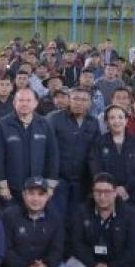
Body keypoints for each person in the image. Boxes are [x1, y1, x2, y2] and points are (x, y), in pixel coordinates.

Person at [0, 88, 59, 208]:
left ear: (36, 103)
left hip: (38, 188)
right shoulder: (3, 125)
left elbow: (53, 156)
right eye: (21, 100)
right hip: (12, 189)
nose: (24, 103)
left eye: (28, 100)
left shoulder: (45, 125)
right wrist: (2, 186)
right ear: (14, 103)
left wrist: (51, 184)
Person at [47, 88, 100, 216]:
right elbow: (47, 150)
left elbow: (95, 154)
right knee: (57, 217)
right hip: (58, 180)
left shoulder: (93, 123)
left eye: (83, 100)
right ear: (69, 100)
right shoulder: (54, 119)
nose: (79, 103)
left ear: (90, 103)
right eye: (75, 99)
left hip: (82, 182)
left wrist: (95, 180)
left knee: (77, 219)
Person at [88, 105, 135, 205]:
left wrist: (126, 188)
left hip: (133, 195)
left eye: (120, 117)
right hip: (105, 194)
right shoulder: (98, 143)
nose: (116, 121)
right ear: (106, 122)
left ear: (126, 120)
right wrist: (112, 189)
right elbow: (95, 169)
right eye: (112, 118)